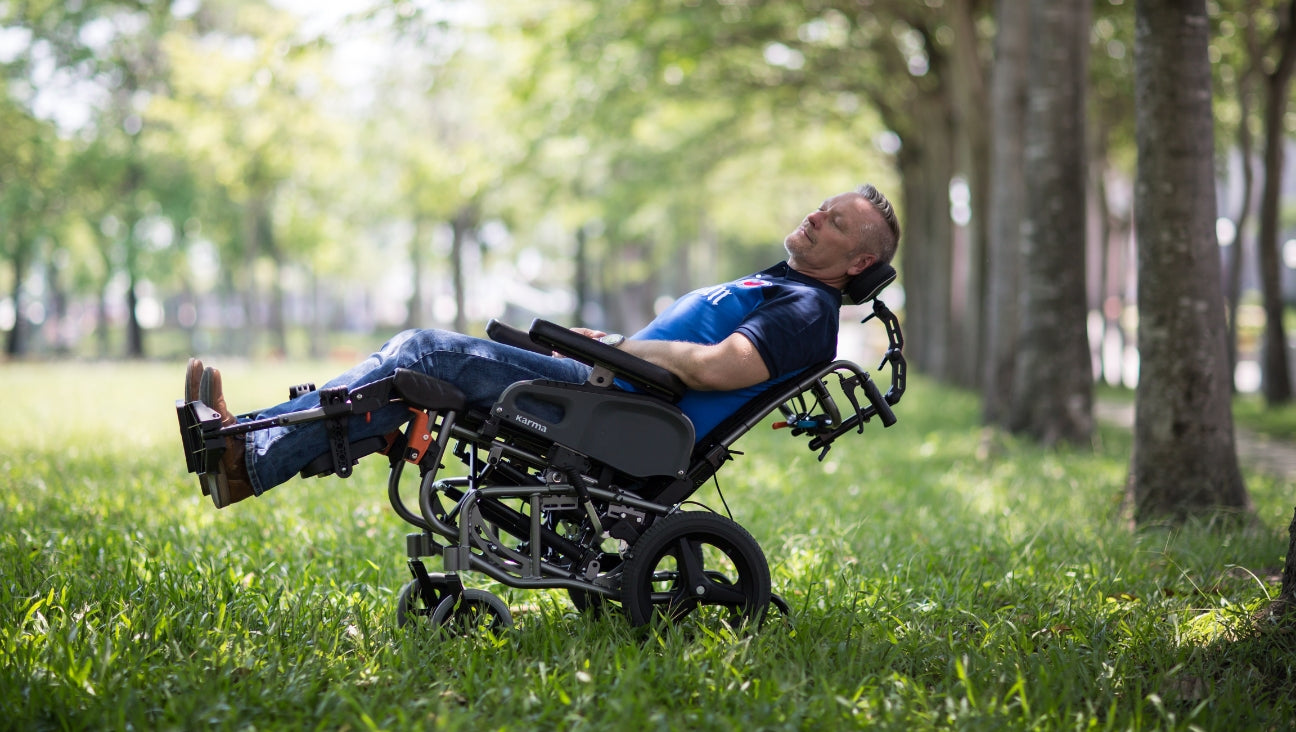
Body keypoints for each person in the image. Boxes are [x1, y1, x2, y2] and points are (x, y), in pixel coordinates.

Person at [183, 184, 901, 508]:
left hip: (620, 420)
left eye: (834, 223)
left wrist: (622, 353)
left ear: (856, 264)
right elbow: (689, 354)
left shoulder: (804, 305)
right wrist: (613, 348)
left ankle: (247, 455)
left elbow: (721, 369)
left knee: (426, 354)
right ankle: (250, 449)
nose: (815, 216)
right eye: (822, 207)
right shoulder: (780, 287)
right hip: (609, 393)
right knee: (420, 372)